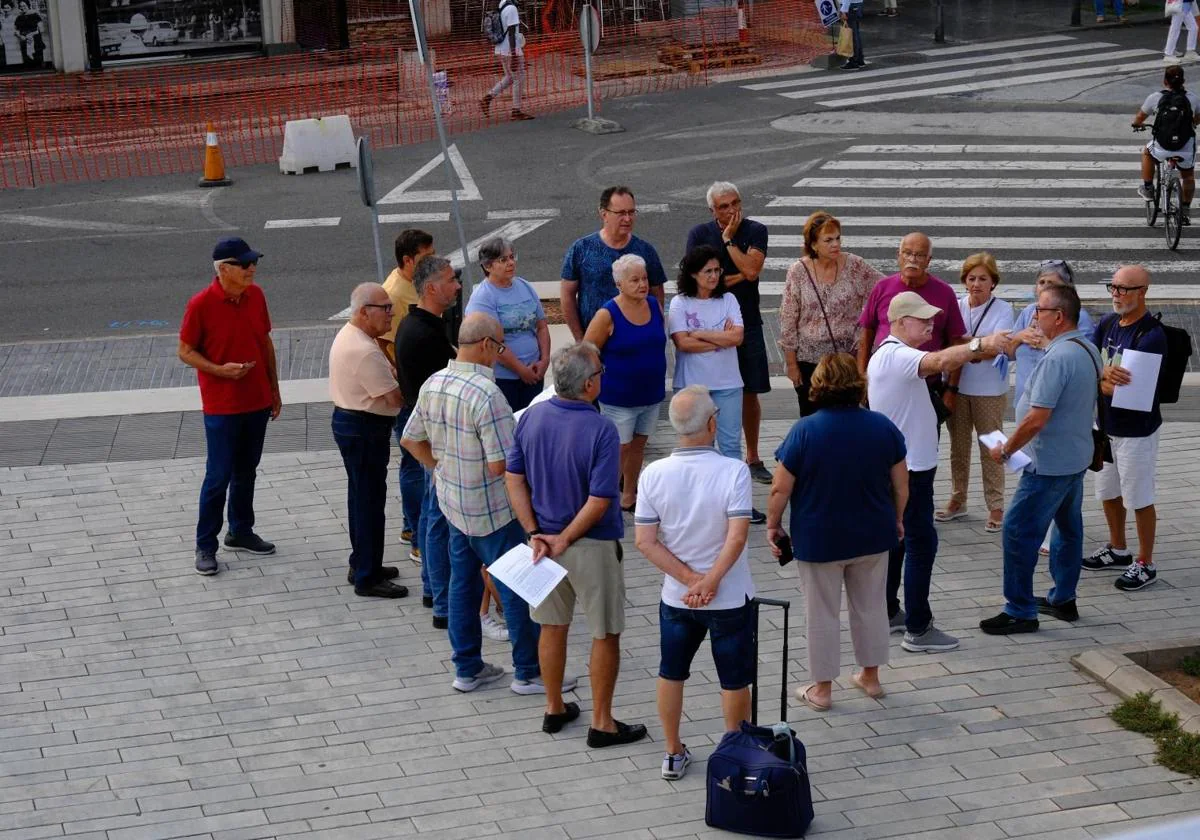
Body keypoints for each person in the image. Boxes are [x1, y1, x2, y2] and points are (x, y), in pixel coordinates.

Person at [400, 313, 548, 695]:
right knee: (515, 587)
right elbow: (501, 463)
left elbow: (410, 439)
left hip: (453, 505)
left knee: (462, 586)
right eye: (499, 347)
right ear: (485, 345)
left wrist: (440, 469)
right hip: (493, 510)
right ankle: (528, 672)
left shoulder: (434, 383)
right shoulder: (488, 395)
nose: (500, 355)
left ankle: (467, 669)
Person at [506, 343, 643, 747]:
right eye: (600, 372)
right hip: (591, 545)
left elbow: (514, 478)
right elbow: (601, 499)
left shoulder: (531, 417)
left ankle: (553, 707)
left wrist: (535, 532)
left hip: (541, 546)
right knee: (605, 632)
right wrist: (566, 537)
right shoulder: (601, 429)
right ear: (588, 385)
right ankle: (602, 722)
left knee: (552, 626)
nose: (603, 376)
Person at [867, 292, 1009, 652]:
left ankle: (887, 612)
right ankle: (919, 627)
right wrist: (984, 343)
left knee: (899, 543)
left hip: (904, 468)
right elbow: (943, 358)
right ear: (899, 323)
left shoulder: (892, 355)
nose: (931, 325)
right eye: (922, 319)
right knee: (920, 544)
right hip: (911, 471)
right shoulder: (897, 356)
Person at [767, 354, 906, 711]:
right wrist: (898, 517)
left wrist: (773, 525)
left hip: (819, 538)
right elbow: (901, 485)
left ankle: (822, 688)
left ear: (819, 386)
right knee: (871, 607)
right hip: (873, 532)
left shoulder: (805, 430)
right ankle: (871, 678)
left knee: (821, 613)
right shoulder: (883, 426)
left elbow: (780, 489)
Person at [635, 385, 755, 779]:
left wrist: (690, 580)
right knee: (734, 681)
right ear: (713, 423)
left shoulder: (652, 473)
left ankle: (672, 752)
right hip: (730, 598)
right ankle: (735, 755)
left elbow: (645, 541)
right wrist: (712, 581)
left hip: (677, 597)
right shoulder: (733, 470)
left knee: (672, 672)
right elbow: (737, 536)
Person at [980, 284, 1101, 634]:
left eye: (1040, 311)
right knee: (1067, 528)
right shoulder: (1086, 348)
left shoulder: (1059, 357)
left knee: (1017, 532)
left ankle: (1019, 610)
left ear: (1059, 316)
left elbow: (1036, 418)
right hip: (1074, 457)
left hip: (1047, 465)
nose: (1034, 316)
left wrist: (1005, 450)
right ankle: (1063, 598)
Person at [178, 238, 281, 577]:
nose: (252, 268)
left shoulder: (258, 295)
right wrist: (220, 370)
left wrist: (274, 390)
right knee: (218, 476)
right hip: (222, 406)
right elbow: (185, 351)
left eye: (254, 263)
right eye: (244, 264)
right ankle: (205, 545)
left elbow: (265, 342)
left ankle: (240, 531)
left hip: (257, 400)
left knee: (246, 471)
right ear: (224, 269)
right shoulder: (201, 304)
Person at [1082, 265, 1169, 592]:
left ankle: (1146, 562)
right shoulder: (1106, 323)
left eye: (1124, 289)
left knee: (1139, 496)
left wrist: (1103, 380)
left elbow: (1130, 392)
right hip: (1104, 426)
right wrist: (1104, 375)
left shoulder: (1151, 335)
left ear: (1142, 291)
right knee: (1107, 491)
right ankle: (1118, 548)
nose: (1116, 294)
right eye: (1113, 287)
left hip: (1136, 431)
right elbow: (1089, 361)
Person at [668, 245, 766, 524]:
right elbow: (682, 343)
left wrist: (699, 333)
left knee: (731, 446)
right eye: (708, 271)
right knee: (695, 446)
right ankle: (699, 503)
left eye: (717, 270)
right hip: (692, 387)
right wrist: (716, 337)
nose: (714, 276)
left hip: (728, 383)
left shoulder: (729, 300)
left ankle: (740, 503)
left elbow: (736, 338)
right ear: (693, 274)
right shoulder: (680, 303)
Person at [685, 182, 772, 484]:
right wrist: (728, 278)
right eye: (723, 206)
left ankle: (753, 456)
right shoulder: (698, 234)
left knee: (750, 390)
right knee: (709, 391)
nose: (732, 210)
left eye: (735, 203)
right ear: (712, 210)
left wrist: (728, 242)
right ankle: (707, 454)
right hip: (709, 325)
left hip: (747, 320)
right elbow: (696, 278)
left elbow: (751, 271)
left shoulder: (756, 230)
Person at [329, 283, 408, 599]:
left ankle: (362, 561)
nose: (391, 313)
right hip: (364, 427)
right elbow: (394, 398)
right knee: (369, 503)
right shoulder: (363, 349)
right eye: (385, 308)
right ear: (364, 312)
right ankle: (367, 576)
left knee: (361, 498)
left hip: (355, 424)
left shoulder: (356, 337)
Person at [394, 256, 461, 626]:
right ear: (432, 287)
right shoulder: (424, 334)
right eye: (451, 280)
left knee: (430, 514)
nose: (457, 286)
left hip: (427, 431)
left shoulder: (418, 325)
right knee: (437, 516)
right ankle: (440, 600)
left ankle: (430, 588)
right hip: (435, 437)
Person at [937, 253, 1015, 532]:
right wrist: (978, 346)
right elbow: (950, 342)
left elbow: (998, 348)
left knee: (992, 448)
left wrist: (966, 346)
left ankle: (996, 505)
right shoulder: (956, 306)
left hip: (989, 391)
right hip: (955, 388)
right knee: (958, 449)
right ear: (964, 281)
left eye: (983, 279)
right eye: (971, 278)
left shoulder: (1003, 309)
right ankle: (958, 499)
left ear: (993, 282)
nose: (977, 284)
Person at [583, 254, 667, 512]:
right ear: (619, 283)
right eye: (635, 280)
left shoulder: (653, 305)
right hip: (618, 397)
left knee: (638, 447)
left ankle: (629, 494)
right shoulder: (607, 314)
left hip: (651, 394)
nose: (642, 284)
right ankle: (602, 501)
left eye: (644, 278)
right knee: (618, 450)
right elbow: (587, 352)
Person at [779, 211, 882, 416]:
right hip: (809, 362)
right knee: (813, 420)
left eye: (837, 238)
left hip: (846, 361)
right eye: (828, 240)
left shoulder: (855, 265)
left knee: (847, 418)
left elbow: (884, 290)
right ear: (813, 244)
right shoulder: (798, 271)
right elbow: (788, 319)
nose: (835, 244)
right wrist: (791, 364)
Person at [382, 229, 436, 557]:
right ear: (408, 260)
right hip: (410, 391)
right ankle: (415, 531)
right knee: (414, 462)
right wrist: (401, 376)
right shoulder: (395, 293)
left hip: (421, 386)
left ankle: (410, 523)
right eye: (426, 258)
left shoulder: (412, 285)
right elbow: (384, 342)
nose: (432, 262)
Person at [561, 186, 668, 342]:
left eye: (631, 212)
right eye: (621, 213)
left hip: (636, 341)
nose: (628, 218)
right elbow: (567, 295)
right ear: (603, 214)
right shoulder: (581, 249)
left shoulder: (645, 251)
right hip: (595, 342)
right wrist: (580, 340)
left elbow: (657, 294)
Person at [465, 237, 550, 411]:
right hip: (504, 380)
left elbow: (541, 326)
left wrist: (544, 360)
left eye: (512, 257)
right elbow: (494, 344)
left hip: (535, 372)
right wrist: (521, 370)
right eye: (503, 260)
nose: (510, 263)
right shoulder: (483, 297)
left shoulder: (525, 286)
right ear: (487, 266)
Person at [1133, 65, 1200, 224]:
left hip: (1162, 147)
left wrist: (1137, 124)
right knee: (1188, 176)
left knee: (1147, 152)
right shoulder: (1193, 98)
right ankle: (1184, 211)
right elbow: (1198, 118)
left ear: (1165, 81)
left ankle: (1148, 188)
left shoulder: (1155, 97)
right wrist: (1191, 123)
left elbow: (1139, 118)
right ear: (1183, 80)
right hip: (1184, 147)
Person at [480, 0, 533, 121]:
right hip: (510, 50)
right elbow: (512, 33)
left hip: (500, 49)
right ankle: (516, 110)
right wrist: (514, 54)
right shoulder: (512, 9)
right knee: (519, 79)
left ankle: (487, 98)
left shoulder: (502, 5)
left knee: (510, 77)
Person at [839, 0, 865, 70]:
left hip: (850, 6)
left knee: (852, 35)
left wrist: (844, 10)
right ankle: (859, 59)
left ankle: (854, 61)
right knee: (856, 33)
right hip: (857, 5)